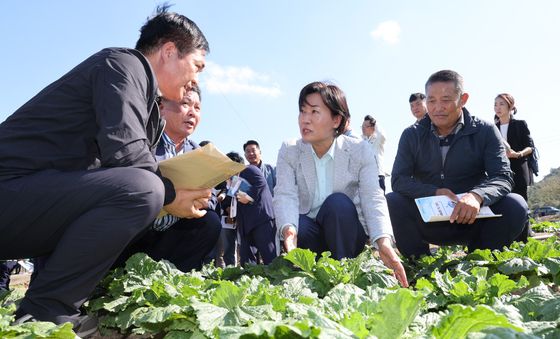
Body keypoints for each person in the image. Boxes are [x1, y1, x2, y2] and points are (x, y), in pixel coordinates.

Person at [0, 5, 211, 333]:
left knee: (144, 191)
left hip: (31, 203)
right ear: (169, 51)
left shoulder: (151, 111)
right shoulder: (122, 64)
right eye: (196, 66)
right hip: (10, 190)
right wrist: (171, 194)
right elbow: (126, 154)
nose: (196, 80)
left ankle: (57, 304)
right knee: (143, 189)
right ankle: (45, 313)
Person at [274, 81, 408, 287]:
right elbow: (285, 194)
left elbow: (373, 197)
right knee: (298, 222)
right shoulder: (290, 150)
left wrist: (383, 243)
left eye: (314, 112)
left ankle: (344, 274)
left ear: (336, 120)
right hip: (309, 236)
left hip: (345, 232)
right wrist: (289, 232)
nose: (305, 119)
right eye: (302, 111)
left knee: (338, 203)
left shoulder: (359, 150)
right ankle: (308, 275)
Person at [387, 70, 527, 259]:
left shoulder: (485, 130)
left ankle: (480, 258)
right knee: (392, 200)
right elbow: (398, 180)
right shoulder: (411, 135)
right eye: (431, 100)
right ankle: (418, 263)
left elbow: (502, 176)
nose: (437, 108)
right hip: (430, 221)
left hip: (473, 218)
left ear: (463, 99)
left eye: (445, 100)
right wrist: (434, 192)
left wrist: (477, 196)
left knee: (515, 204)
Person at [118, 86, 222, 272]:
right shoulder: (143, 143)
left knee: (210, 221)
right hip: (139, 228)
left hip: (177, 226)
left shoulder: (200, 154)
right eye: (185, 104)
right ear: (162, 107)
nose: (192, 112)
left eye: (197, 108)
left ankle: (178, 278)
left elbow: (212, 196)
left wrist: (202, 200)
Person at [494, 93, 535, 241]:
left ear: (510, 106)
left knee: (521, 202)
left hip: (518, 166)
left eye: (501, 104)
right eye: (495, 104)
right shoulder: (492, 128)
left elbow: (530, 147)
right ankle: (507, 238)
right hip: (500, 171)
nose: (497, 107)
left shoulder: (520, 124)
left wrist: (517, 154)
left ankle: (523, 240)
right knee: (504, 204)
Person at [228, 152, 276, 265]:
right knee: (246, 258)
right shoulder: (233, 178)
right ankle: (249, 280)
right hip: (245, 224)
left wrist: (249, 197)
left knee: (268, 254)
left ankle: (275, 280)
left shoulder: (250, 169)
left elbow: (261, 185)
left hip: (261, 219)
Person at [361, 115, 389, 192]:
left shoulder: (378, 140)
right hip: (365, 177)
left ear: (373, 128)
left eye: (366, 126)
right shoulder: (360, 142)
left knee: (379, 202)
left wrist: (374, 122)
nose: (363, 128)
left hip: (377, 176)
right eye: (362, 126)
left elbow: (381, 133)